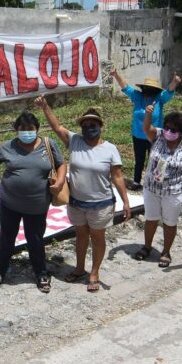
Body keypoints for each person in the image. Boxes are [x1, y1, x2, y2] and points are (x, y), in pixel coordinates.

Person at [36, 96, 131, 293]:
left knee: (97, 237)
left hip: (101, 203)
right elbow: (57, 127)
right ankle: (79, 269)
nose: (89, 128)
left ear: (100, 126)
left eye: (93, 124)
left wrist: (126, 202)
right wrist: (45, 107)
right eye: (85, 125)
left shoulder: (110, 149)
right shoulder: (75, 141)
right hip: (76, 202)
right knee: (80, 236)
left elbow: (118, 177)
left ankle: (94, 272)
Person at [0, 111, 67, 293]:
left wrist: (59, 182)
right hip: (10, 204)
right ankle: (1, 271)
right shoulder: (7, 147)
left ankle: (41, 273)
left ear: (37, 129)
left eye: (30, 129)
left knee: (35, 240)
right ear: (16, 130)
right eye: (23, 129)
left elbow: (61, 164)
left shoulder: (48, 144)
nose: (27, 132)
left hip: (37, 205)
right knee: (6, 239)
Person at [134, 106, 182, 268]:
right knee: (151, 218)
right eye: (168, 127)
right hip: (152, 188)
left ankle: (166, 251)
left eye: (174, 129)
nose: (169, 131)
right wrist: (148, 114)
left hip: (174, 191)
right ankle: (147, 246)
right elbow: (146, 128)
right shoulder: (157, 136)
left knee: (170, 222)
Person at [110, 69, 182, 191]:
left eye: (151, 88)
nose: (148, 90)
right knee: (139, 159)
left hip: (155, 136)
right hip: (138, 135)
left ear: (155, 90)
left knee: (157, 158)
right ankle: (137, 181)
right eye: (146, 87)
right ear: (143, 88)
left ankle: (157, 182)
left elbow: (169, 91)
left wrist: (175, 81)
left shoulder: (160, 98)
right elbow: (125, 87)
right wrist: (116, 75)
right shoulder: (137, 96)